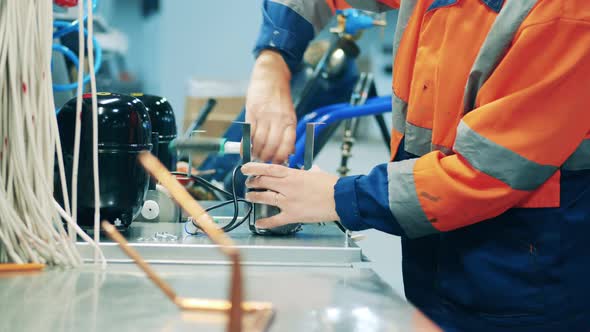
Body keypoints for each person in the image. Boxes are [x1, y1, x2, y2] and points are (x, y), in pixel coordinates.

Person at [243, 0, 590, 331]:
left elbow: (487, 173)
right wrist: (272, 64)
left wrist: (342, 196)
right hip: (436, 263)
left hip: (524, 286)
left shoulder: (566, 13)